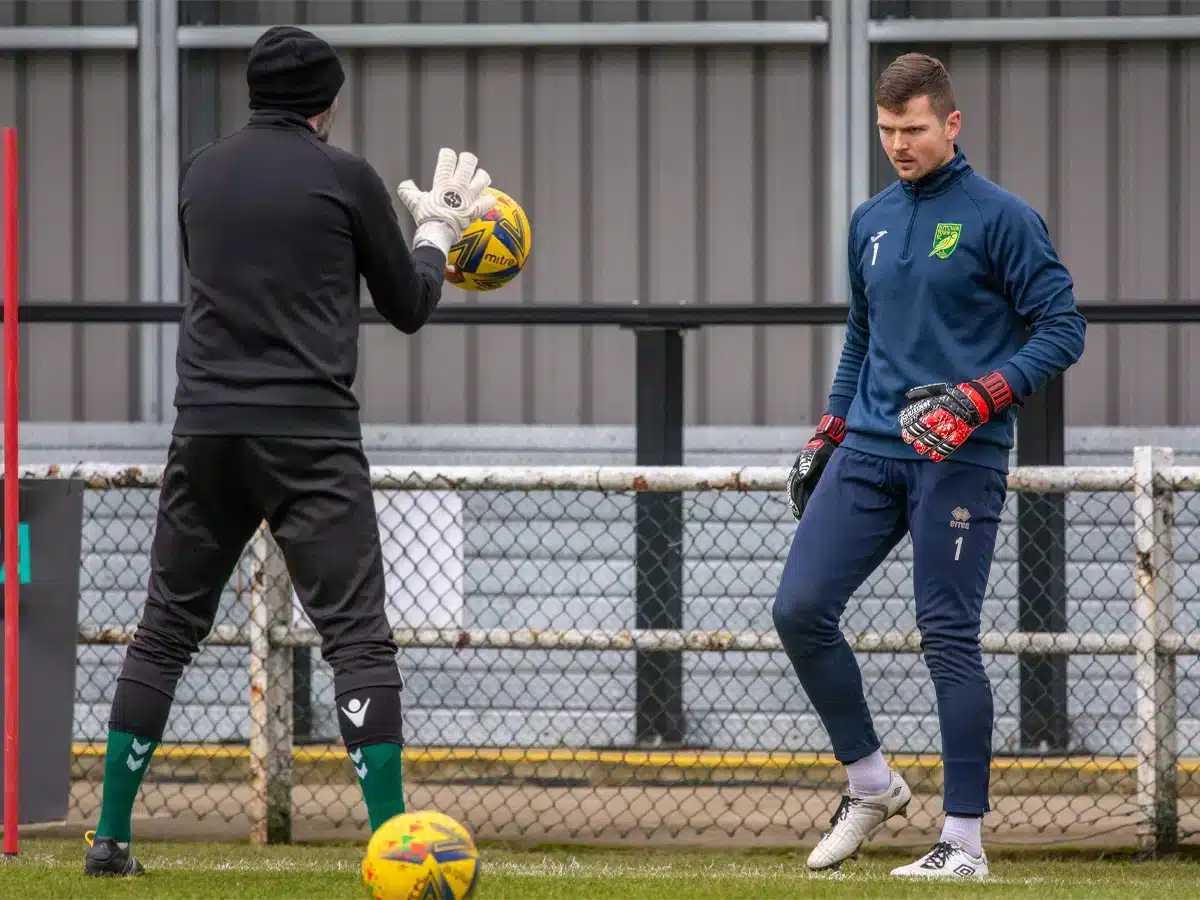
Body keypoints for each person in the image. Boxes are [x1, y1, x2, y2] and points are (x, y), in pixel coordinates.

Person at [83, 24, 496, 877]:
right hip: (308, 431)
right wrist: (437, 235)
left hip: (205, 424)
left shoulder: (201, 171)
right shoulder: (345, 177)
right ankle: (395, 844)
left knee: (164, 629)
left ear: (253, 92)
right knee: (356, 638)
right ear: (328, 103)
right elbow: (411, 305)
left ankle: (110, 839)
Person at [773, 52, 1086, 879]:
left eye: (912, 129)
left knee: (948, 639)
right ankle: (871, 783)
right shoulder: (870, 218)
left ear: (952, 123)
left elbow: (1062, 329)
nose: (898, 144)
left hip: (960, 458)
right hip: (869, 451)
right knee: (799, 609)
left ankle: (964, 843)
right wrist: (830, 427)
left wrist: (981, 397)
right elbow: (861, 335)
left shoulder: (1003, 218)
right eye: (886, 130)